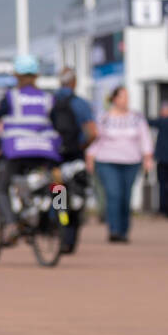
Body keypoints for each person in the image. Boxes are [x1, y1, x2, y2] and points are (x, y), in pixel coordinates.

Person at [0, 55, 63, 243]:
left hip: (17, 150)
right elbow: (56, 125)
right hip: (45, 151)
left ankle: (12, 224)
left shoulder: (12, 96)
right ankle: (59, 217)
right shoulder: (47, 98)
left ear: (16, 75)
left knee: (0, 186)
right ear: (37, 75)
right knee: (56, 184)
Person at [84, 86, 153, 243]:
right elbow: (96, 139)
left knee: (125, 197)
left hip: (131, 161)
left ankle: (123, 230)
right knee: (113, 194)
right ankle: (114, 230)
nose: (126, 100)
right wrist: (90, 157)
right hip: (107, 161)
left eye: (127, 97)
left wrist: (148, 158)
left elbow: (145, 138)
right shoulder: (104, 117)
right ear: (114, 99)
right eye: (123, 97)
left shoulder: (137, 117)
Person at [53, 67, 97, 253]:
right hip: (76, 156)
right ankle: (71, 239)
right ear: (74, 82)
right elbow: (92, 133)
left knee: (59, 196)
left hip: (56, 157)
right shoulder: (81, 104)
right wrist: (82, 147)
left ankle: (60, 231)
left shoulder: (51, 101)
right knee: (77, 198)